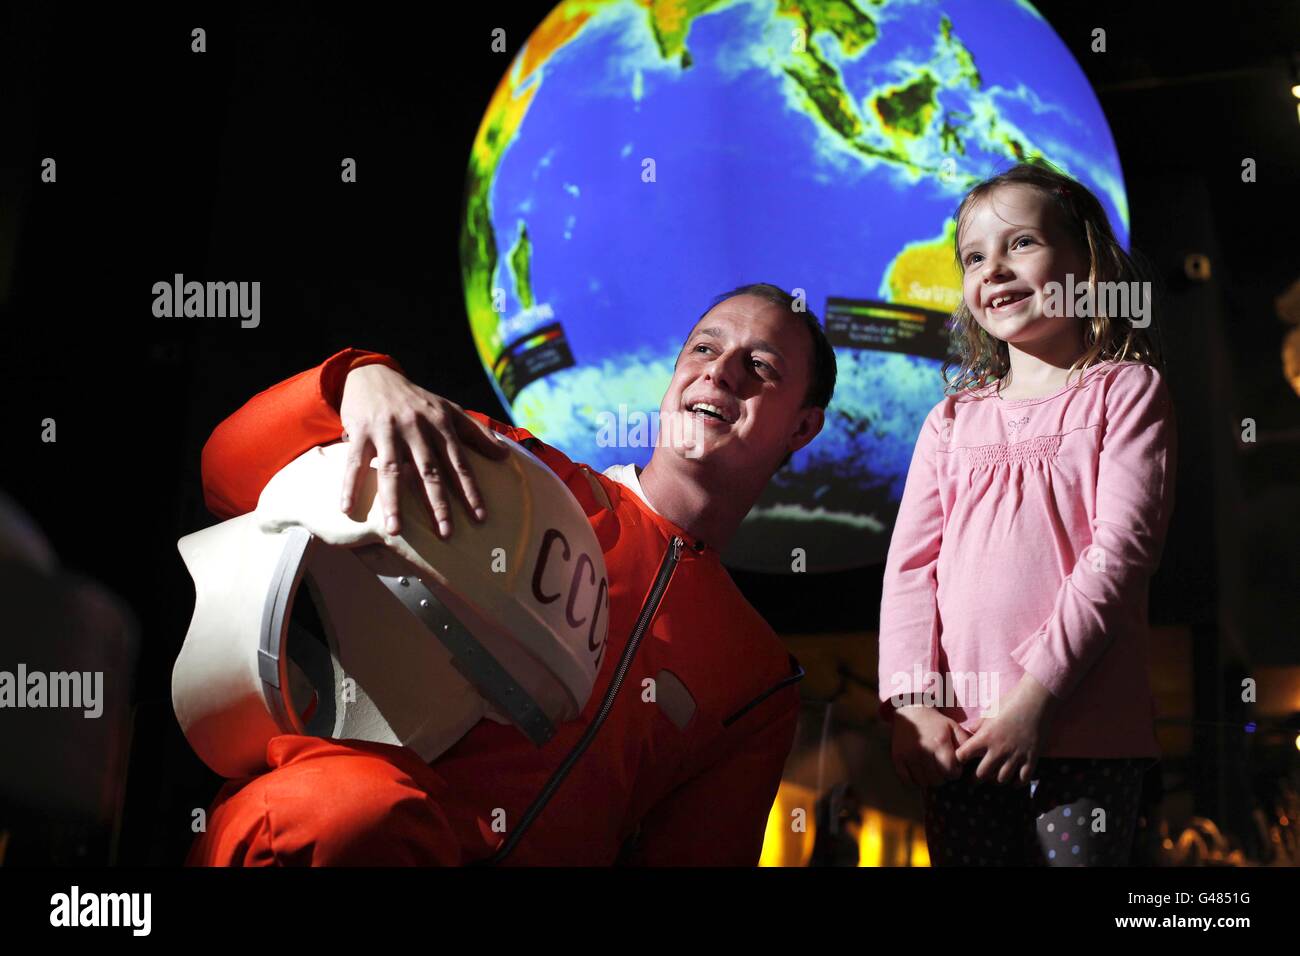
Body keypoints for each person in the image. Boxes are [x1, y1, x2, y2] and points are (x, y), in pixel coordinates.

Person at [186, 282, 837, 866]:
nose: (719, 373)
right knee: (338, 811)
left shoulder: (756, 678)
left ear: (803, 426)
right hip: (358, 838)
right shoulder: (516, 471)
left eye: (760, 366)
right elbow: (226, 473)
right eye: (702, 348)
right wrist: (356, 380)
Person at [877, 163, 1177, 866]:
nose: (994, 269)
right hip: (960, 744)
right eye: (974, 256)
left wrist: (1034, 701)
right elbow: (909, 571)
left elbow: (1121, 553)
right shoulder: (949, 421)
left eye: (1021, 245)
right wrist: (914, 704)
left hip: (1082, 736)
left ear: (1086, 262)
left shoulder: (1126, 392)